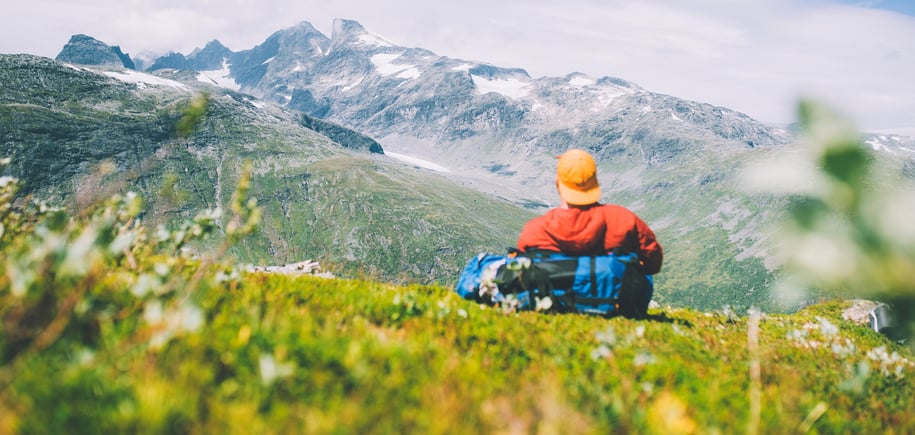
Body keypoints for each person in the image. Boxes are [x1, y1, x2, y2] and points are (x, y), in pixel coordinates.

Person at [517, 148, 663, 276]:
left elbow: (522, 271)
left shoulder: (534, 230)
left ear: (557, 184)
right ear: (594, 182)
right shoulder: (623, 219)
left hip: (552, 298)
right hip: (615, 299)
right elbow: (654, 263)